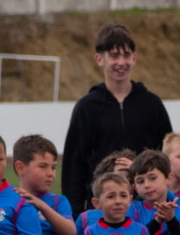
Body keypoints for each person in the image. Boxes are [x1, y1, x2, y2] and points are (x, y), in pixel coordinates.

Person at [62, 23, 173, 218]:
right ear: (100, 59)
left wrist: (138, 168)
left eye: (126, 55)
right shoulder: (86, 107)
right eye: (114, 55)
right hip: (100, 209)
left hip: (145, 209)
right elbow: (74, 167)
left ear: (135, 58)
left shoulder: (152, 104)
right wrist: (75, 215)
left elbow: (165, 158)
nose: (121, 62)